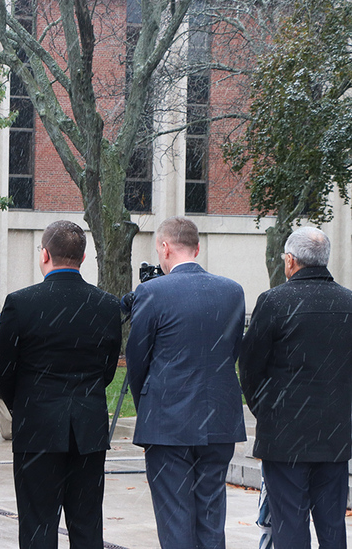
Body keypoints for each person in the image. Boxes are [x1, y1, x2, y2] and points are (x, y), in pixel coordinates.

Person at [0, 220, 121, 549]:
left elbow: (3, 371)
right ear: (83, 256)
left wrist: (25, 404)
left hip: (37, 428)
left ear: (45, 254)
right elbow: (107, 370)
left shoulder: (21, 303)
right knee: (87, 524)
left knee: (38, 524)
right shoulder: (106, 304)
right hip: (88, 429)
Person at [125, 216, 246, 549]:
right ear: (197, 247)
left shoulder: (151, 292)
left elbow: (137, 360)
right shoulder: (232, 292)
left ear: (164, 247)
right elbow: (232, 350)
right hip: (218, 419)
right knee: (211, 516)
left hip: (168, 421)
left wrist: (148, 405)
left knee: (175, 519)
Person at [239, 226, 351, 549]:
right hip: (334, 435)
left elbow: (249, 366)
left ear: (290, 261)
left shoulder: (274, 301)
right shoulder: (348, 303)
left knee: (289, 524)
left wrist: (267, 411)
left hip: (285, 437)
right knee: (332, 525)